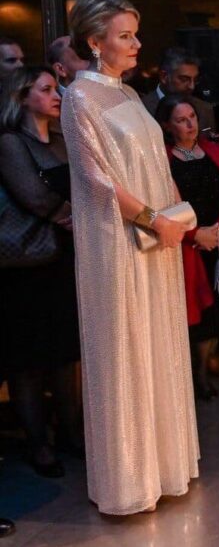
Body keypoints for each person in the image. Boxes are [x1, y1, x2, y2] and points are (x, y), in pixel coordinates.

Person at [61, 0, 199, 514]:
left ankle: (165, 466)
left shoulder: (129, 94)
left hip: (155, 241)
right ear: (95, 42)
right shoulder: (80, 97)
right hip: (117, 247)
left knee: (157, 344)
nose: (137, 43)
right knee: (126, 348)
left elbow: (156, 169)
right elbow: (96, 180)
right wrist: (152, 219)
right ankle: (129, 481)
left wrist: (172, 220)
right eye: (125, 35)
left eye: (136, 33)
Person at [0, 66, 81, 478]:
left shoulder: (64, 141)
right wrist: (72, 216)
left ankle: (69, 432)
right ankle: (38, 444)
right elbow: (32, 196)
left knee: (65, 353)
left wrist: (75, 217)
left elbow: (85, 185)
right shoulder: (10, 142)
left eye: (57, 89)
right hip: (27, 263)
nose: (56, 95)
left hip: (65, 258)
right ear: (22, 96)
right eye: (46, 89)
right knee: (27, 360)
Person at [156, 94, 219, 400]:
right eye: (181, 120)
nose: (190, 124)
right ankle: (192, 378)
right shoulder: (161, 159)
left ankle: (205, 368)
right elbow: (165, 206)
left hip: (218, 241)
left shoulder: (215, 151)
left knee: (217, 312)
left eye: (192, 116)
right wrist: (195, 235)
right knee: (193, 315)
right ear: (167, 126)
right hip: (185, 247)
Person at [142, 47, 219, 148]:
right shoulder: (141, 108)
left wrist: (218, 146)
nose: (192, 86)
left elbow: (207, 148)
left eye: (195, 79)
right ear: (164, 76)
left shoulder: (204, 109)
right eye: (184, 79)